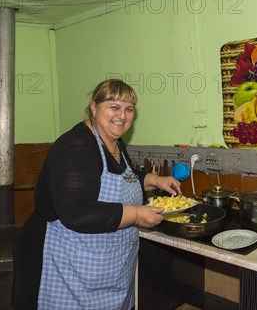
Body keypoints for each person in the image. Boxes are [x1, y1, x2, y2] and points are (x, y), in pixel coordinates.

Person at [13, 79, 181, 310]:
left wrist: (154, 180)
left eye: (129, 109)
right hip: (66, 263)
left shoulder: (114, 143)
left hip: (103, 265)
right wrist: (136, 215)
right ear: (94, 107)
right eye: (114, 106)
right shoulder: (76, 147)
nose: (122, 115)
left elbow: (123, 179)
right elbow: (76, 211)